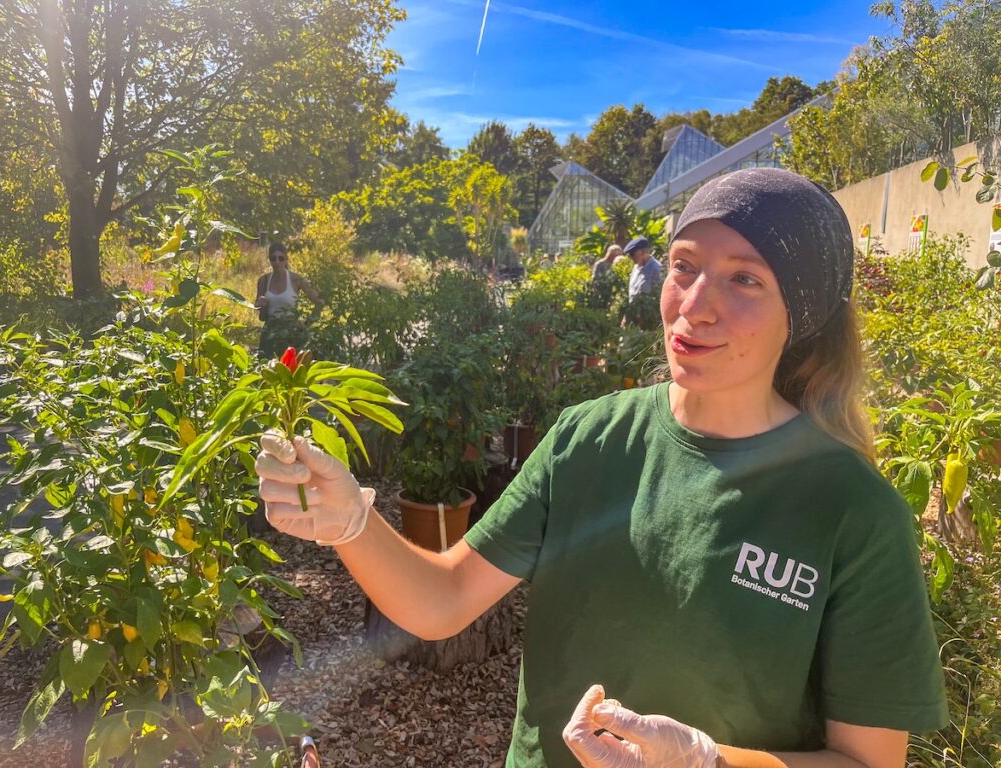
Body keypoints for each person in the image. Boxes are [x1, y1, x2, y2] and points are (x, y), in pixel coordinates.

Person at [254, 168, 947, 768]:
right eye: (683, 265)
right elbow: (441, 601)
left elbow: (868, 759)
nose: (694, 304)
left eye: (744, 279)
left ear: (803, 313)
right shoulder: (589, 438)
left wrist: (707, 761)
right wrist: (351, 521)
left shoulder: (854, 512)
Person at [255, 242, 319, 358]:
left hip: (291, 331)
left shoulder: (296, 279)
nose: (277, 262)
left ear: (286, 260)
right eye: (273, 259)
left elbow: (318, 302)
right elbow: (260, 314)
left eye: (281, 258)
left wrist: (306, 324)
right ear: (270, 260)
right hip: (270, 331)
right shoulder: (264, 280)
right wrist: (260, 304)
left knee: (291, 368)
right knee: (267, 367)